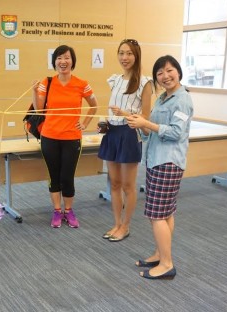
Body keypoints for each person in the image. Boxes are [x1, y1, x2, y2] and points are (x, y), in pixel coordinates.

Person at [126, 55, 194, 280]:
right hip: (156, 159)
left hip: (168, 162)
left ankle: (166, 264)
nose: (165, 76)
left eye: (169, 70)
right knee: (165, 213)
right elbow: (152, 131)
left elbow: (176, 132)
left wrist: (146, 123)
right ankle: (160, 253)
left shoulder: (181, 99)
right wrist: (139, 123)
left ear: (178, 71)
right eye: (160, 73)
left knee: (157, 215)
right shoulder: (164, 98)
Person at [33, 45, 97, 228]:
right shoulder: (48, 82)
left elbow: (94, 105)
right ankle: (56, 211)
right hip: (49, 136)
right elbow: (39, 110)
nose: (63, 61)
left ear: (72, 61)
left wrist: (84, 124)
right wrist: (33, 91)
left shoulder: (82, 84)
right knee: (54, 176)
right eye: (59, 58)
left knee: (67, 177)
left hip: (71, 137)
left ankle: (68, 211)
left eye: (67, 58)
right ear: (54, 62)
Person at [97, 39, 152, 242]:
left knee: (128, 185)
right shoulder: (114, 80)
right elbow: (112, 109)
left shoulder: (145, 82)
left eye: (129, 53)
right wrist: (105, 123)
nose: (124, 57)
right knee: (114, 183)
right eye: (121, 53)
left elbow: (145, 117)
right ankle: (117, 224)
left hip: (129, 134)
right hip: (112, 133)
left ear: (136, 56)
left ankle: (126, 226)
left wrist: (125, 113)